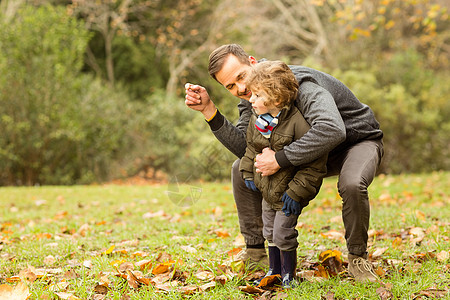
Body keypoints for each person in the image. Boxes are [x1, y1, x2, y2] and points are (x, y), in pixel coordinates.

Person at [184, 44, 384, 283]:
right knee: (241, 169)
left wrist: (279, 160)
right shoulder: (253, 97)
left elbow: (332, 129)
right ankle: (257, 253)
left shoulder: (299, 83)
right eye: (230, 86)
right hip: (309, 151)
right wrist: (209, 111)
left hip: (354, 143)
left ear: (253, 62)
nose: (241, 88)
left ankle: (357, 258)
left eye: (240, 77)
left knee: (352, 183)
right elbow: (247, 149)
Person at [240, 60, 327, 287]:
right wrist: (249, 173)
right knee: (269, 232)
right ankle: (274, 270)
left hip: (288, 193)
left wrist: (297, 193)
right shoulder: (256, 120)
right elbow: (251, 147)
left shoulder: (298, 122)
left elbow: (314, 163)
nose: (251, 99)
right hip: (267, 189)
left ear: (276, 99)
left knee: (283, 233)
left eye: (257, 95)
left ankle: (289, 274)